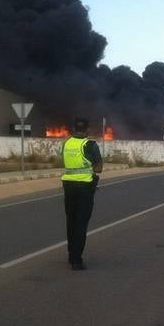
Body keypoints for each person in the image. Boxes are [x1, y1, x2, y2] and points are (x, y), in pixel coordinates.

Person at [62, 116, 103, 271]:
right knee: (81, 223)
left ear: (74, 128)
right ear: (87, 129)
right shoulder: (90, 144)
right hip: (85, 186)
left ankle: (71, 255)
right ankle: (77, 261)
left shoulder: (66, 143)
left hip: (68, 185)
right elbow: (99, 168)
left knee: (70, 221)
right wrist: (90, 167)